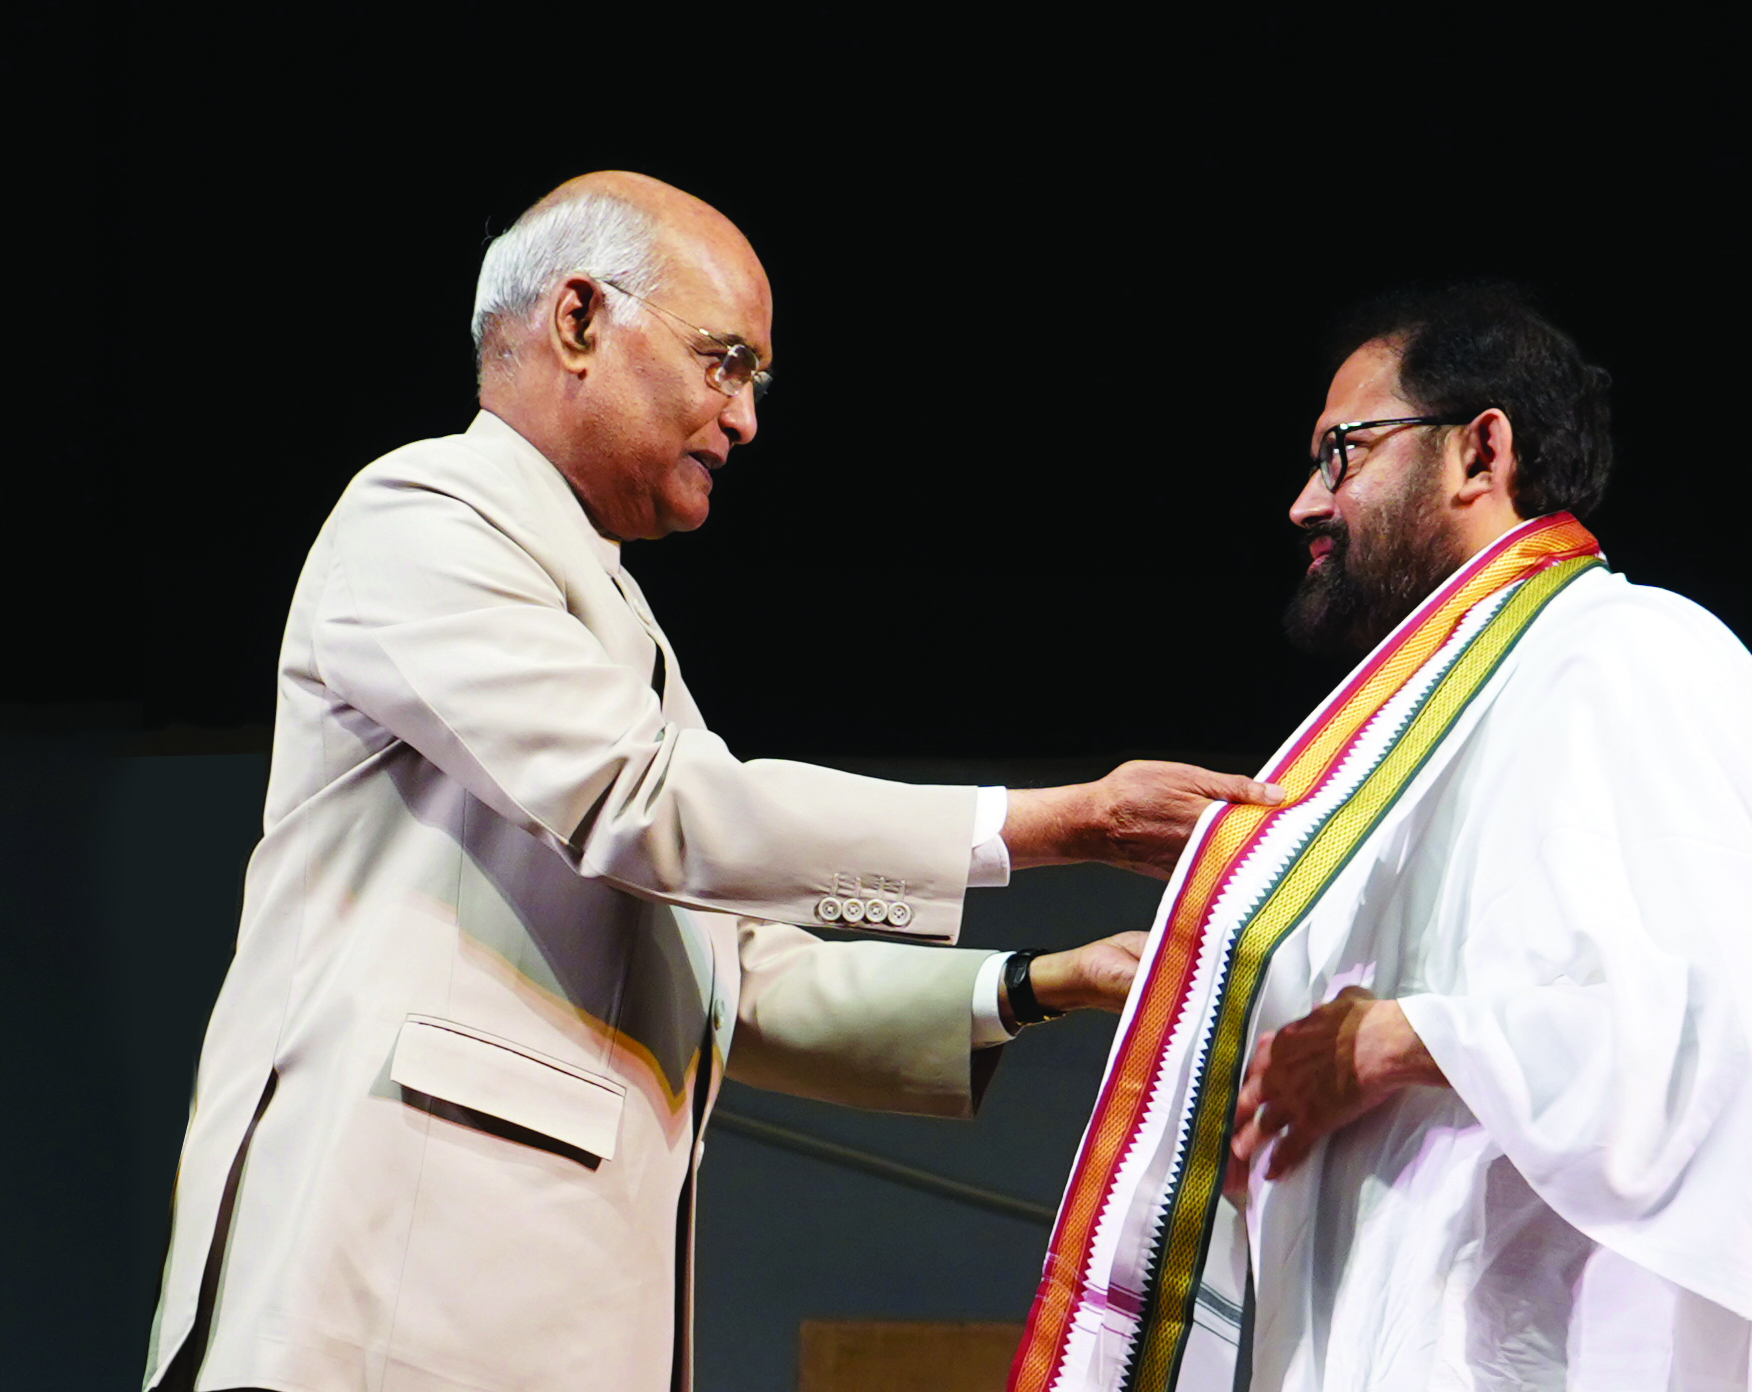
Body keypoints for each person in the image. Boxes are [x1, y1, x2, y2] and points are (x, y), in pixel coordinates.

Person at [142, 171, 1283, 1392]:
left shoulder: (611, 612)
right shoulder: (426, 512)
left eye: (755, 380)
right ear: (579, 321)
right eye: (724, 362)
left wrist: (1045, 982)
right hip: (387, 1302)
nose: (743, 420)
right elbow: (650, 805)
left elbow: (731, 970)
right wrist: (1055, 822)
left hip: (541, 1317)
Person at [1013, 285, 1752, 1391]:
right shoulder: (1422, 737)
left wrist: (1395, 1042)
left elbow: (1725, 1029)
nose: (1306, 505)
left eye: (1343, 452)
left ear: (1480, 451)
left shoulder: (1629, 655)